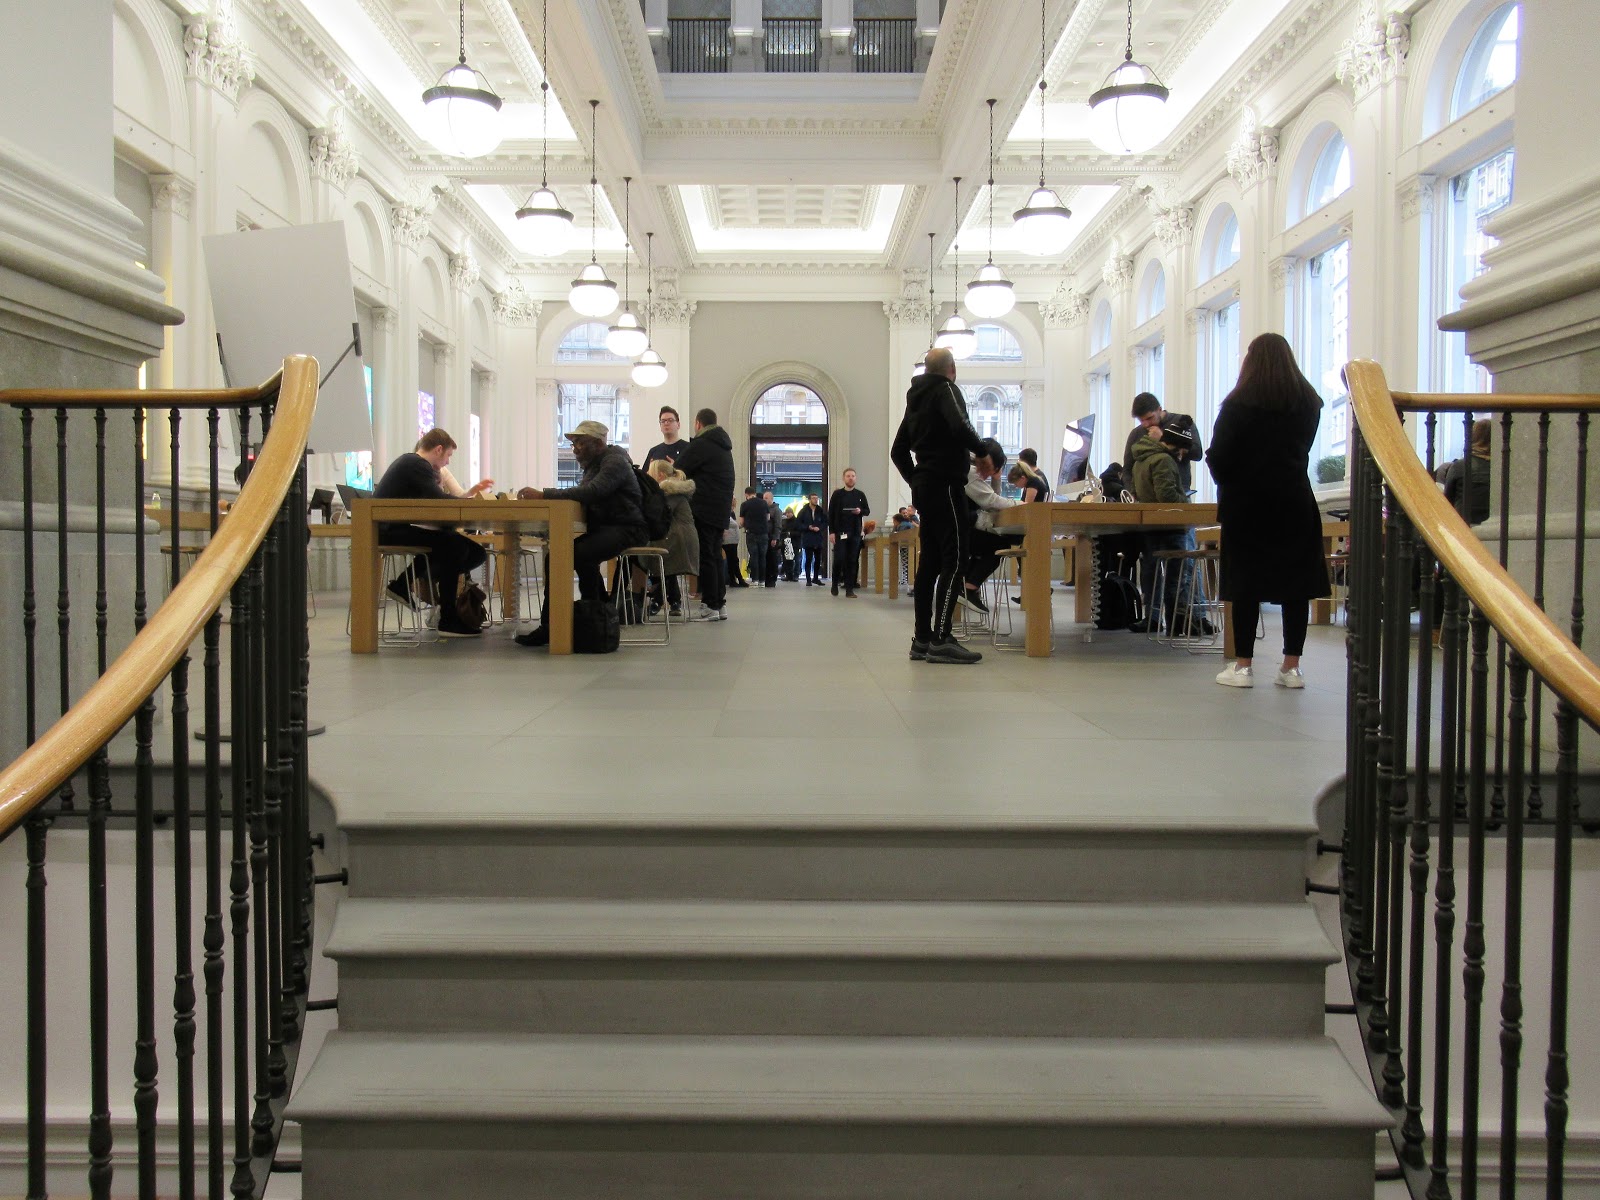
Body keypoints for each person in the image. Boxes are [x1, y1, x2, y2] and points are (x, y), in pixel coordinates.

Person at [1205, 333, 1331, 689]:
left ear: (1251, 361)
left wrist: (1226, 474)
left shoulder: (1238, 404)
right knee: (1296, 585)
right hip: (1294, 501)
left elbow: (1221, 456)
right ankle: (1291, 668)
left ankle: (1243, 667)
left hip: (1246, 504)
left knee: (1245, 583)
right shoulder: (1309, 403)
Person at [890, 345, 988, 664]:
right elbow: (960, 426)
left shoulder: (915, 399)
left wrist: (916, 479)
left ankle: (922, 638)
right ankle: (942, 637)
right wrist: (982, 450)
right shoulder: (946, 388)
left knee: (930, 564)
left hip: (927, 488)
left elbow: (898, 450)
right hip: (946, 484)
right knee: (955, 560)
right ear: (952, 369)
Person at [512, 420, 648, 648]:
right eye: (574, 443)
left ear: (598, 442)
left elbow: (594, 491)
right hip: (610, 528)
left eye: (580, 442)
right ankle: (594, 617)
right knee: (576, 556)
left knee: (561, 555)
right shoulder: (596, 464)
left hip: (627, 529)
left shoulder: (614, 461)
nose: (574, 448)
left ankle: (552, 626)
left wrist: (544, 494)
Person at [372, 427, 487, 638]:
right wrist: (468, 504)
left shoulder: (413, 464)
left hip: (393, 528)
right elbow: (438, 501)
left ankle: (405, 583)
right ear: (439, 449)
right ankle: (447, 619)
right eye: (448, 456)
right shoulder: (416, 464)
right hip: (388, 531)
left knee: (474, 551)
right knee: (454, 545)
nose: (448, 462)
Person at [1126, 424, 1191, 633]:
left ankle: (1152, 618)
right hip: (1171, 527)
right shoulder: (1163, 460)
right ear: (1176, 445)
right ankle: (1174, 623)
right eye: (1183, 450)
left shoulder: (1140, 460)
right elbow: (1168, 498)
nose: (1182, 456)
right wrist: (1186, 501)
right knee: (1176, 576)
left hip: (1150, 527)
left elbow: (1137, 491)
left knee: (1151, 573)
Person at [673, 408, 735, 621]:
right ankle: (719, 604)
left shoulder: (701, 444)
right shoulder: (723, 447)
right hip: (720, 510)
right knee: (716, 555)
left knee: (707, 557)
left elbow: (679, 470)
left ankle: (710, 604)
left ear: (698, 424)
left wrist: (672, 467)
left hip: (704, 508)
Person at [960, 439, 1019, 614]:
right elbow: (991, 501)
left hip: (957, 529)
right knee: (999, 545)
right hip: (956, 532)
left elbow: (991, 498)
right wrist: (1020, 504)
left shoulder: (967, 465)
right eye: (990, 470)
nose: (987, 476)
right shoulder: (970, 471)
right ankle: (967, 588)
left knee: (989, 545)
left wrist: (997, 478)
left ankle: (965, 585)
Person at [640, 457, 698, 618]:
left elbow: (656, 515)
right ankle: (672, 601)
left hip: (676, 536)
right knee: (663, 561)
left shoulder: (667, 491)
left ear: (659, 475)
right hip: (682, 537)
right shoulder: (675, 490)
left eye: (650, 472)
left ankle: (657, 599)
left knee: (653, 556)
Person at [1124, 392, 1203, 495]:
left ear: (1159, 410)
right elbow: (1127, 469)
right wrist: (1132, 494)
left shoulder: (1182, 422)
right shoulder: (1136, 433)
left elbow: (1197, 453)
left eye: (1149, 418)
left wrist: (1163, 438)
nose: (1146, 424)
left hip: (1178, 494)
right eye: (1141, 420)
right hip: (1146, 499)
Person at [827, 467, 870, 598]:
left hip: (855, 533)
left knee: (852, 560)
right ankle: (835, 584)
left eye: (853, 476)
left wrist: (860, 511)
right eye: (848, 476)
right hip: (840, 532)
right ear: (844, 478)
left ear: (855, 478)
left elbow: (867, 510)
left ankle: (849, 589)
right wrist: (832, 532)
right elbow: (831, 514)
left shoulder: (860, 495)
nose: (851, 478)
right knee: (839, 559)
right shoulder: (837, 494)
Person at [1442, 418, 1492, 525]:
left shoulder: (1459, 466)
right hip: (1492, 527)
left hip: (1462, 527)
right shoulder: (1500, 468)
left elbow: (1446, 503)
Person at [738, 486, 770, 588]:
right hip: (763, 533)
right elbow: (768, 518)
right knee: (762, 557)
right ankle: (762, 581)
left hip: (751, 533)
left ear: (746, 495)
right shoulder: (763, 503)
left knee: (754, 556)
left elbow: (742, 522)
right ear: (754, 493)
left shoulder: (744, 505)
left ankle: (755, 580)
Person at [797, 493, 828, 585]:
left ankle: (816, 577)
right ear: (809, 499)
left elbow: (825, 522)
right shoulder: (803, 511)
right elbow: (798, 524)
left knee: (818, 559)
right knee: (809, 558)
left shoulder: (820, 510)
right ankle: (808, 579)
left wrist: (820, 528)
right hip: (808, 537)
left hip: (818, 537)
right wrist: (807, 527)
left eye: (816, 498)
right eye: (813, 498)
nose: (815, 500)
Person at [763, 489, 783, 586]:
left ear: (771, 499)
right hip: (764, 537)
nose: (764, 500)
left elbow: (778, 525)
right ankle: (766, 578)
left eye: (766, 498)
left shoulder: (777, 510)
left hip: (772, 538)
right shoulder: (763, 509)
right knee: (766, 558)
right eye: (764, 498)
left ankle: (773, 578)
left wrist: (775, 538)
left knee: (773, 559)